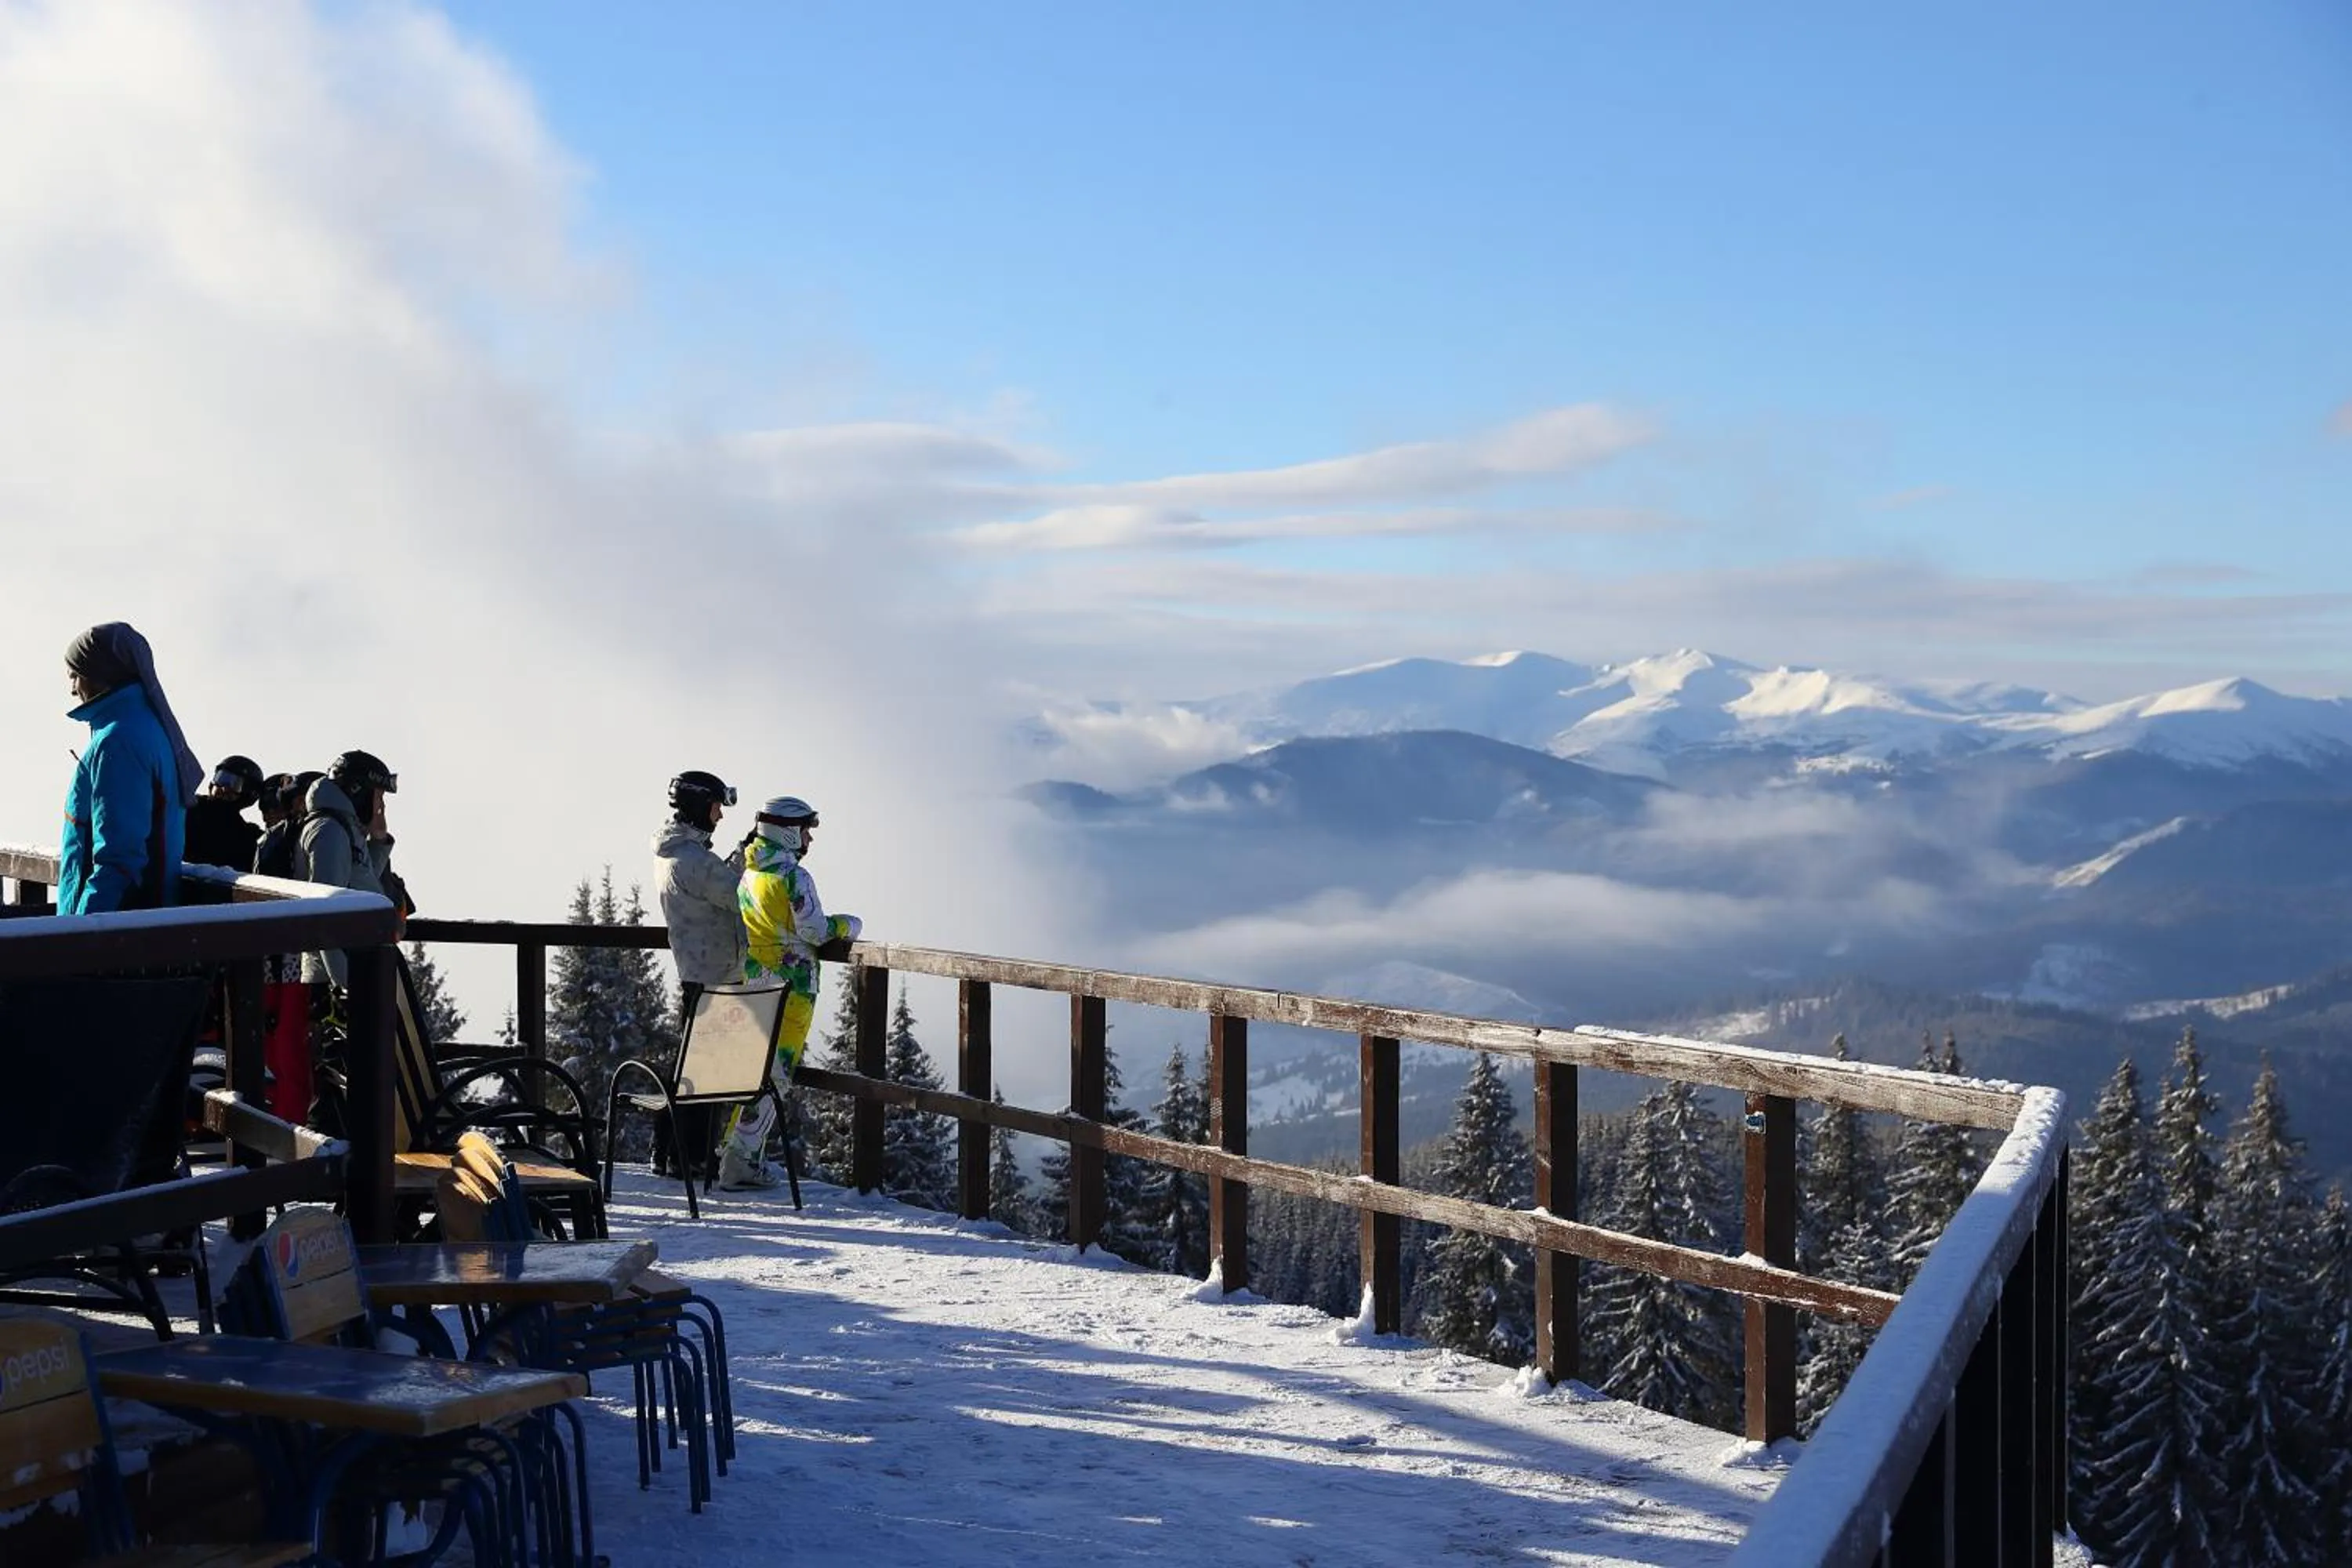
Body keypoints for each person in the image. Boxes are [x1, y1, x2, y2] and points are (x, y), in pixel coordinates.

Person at [721, 795, 861, 1191]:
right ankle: (742, 1162)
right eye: (805, 831)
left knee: (752, 1071)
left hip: (756, 979)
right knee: (777, 1074)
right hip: (794, 986)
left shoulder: (750, 873)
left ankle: (734, 1153)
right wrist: (848, 925)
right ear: (787, 831)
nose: (808, 841)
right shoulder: (793, 877)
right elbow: (814, 931)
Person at [58, 622, 203, 914]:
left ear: (101, 674)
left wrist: (77, 936)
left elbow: (119, 859)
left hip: (117, 935)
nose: (73, 689)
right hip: (142, 924)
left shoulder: (118, 741)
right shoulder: (147, 727)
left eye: (75, 675)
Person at [651, 770, 745, 1180]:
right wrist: (750, 852)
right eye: (716, 807)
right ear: (699, 808)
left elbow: (718, 884)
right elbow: (737, 894)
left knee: (693, 1067)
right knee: (706, 1075)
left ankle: (670, 1151)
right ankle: (690, 1157)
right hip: (714, 975)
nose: (720, 817)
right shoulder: (692, 860)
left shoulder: (677, 854)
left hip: (698, 972)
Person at [296, 750, 404, 985]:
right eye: (378, 796)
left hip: (353, 966)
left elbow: (358, 885)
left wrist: (379, 842)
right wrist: (345, 987)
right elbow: (325, 914)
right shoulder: (329, 832)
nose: (381, 806)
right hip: (333, 980)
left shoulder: (344, 827)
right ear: (359, 792)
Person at [184, 755, 266, 872]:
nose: (222, 788)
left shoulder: (246, 838)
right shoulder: (189, 809)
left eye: (234, 783)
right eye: (220, 778)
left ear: (248, 794)